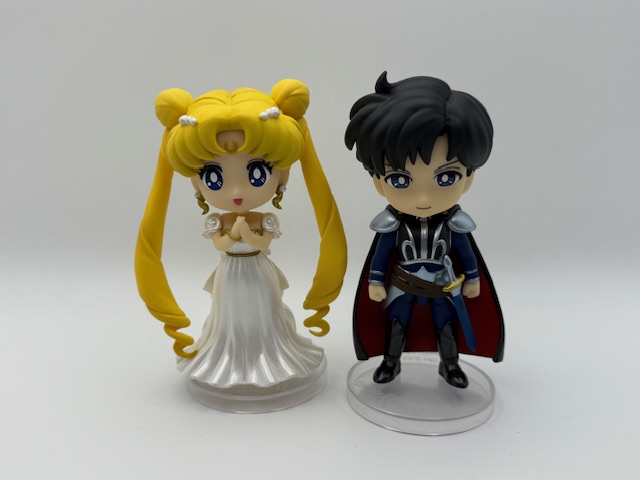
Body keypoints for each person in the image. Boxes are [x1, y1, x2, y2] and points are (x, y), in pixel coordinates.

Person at [135, 80, 347, 410]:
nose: (236, 191)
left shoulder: (264, 219)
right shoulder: (217, 222)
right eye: (214, 176)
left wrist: (246, 234)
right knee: (230, 318)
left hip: (258, 271)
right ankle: (231, 359)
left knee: (264, 314)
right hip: (230, 274)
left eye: (257, 173)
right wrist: (232, 235)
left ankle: (270, 355)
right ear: (196, 183)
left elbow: (263, 244)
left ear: (282, 175)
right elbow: (220, 245)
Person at [345, 72, 504, 388]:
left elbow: (465, 253)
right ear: (379, 181)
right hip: (403, 283)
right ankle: (391, 363)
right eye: (400, 179)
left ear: (468, 178)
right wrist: (375, 281)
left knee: (446, 325)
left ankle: (450, 364)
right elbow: (382, 255)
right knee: (396, 324)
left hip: (443, 285)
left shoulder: (454, 224)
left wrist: (473, 279)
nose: (422, 198)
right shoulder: (391, 224)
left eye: (446, 178)